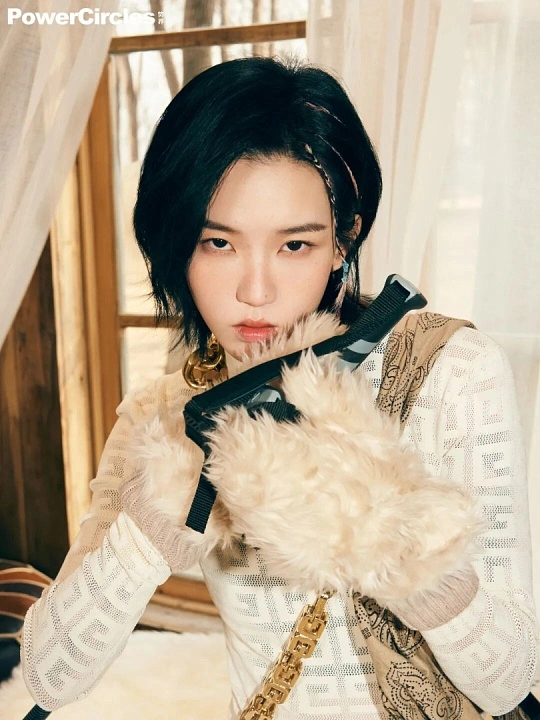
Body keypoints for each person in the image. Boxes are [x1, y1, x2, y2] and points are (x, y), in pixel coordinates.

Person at [21, 56, 538, 719]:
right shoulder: (166, 418)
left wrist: (392, 535)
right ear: (176, 242)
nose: (255, 291)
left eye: (294, 246)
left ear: (343, 240)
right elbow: (48, 678)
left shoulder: (452, 371)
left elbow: (511, 681)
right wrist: (148, 528)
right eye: (218, 243)